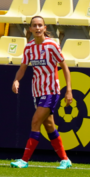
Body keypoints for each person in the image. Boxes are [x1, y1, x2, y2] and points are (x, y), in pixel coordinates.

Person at [10, 15, 74, 169]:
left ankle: (24, 160)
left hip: (51, 90)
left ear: (45, 28)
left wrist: (69, 90)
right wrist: (16, 80)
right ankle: (65, 160)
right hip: (37, 92)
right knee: (49, 125)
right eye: (35, 25)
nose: (38, 28)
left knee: (35, 122)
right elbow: (23, 68)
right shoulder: (29, 47)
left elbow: (65, 67)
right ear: (30, 29)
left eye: (40, 25)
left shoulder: (52, 45)